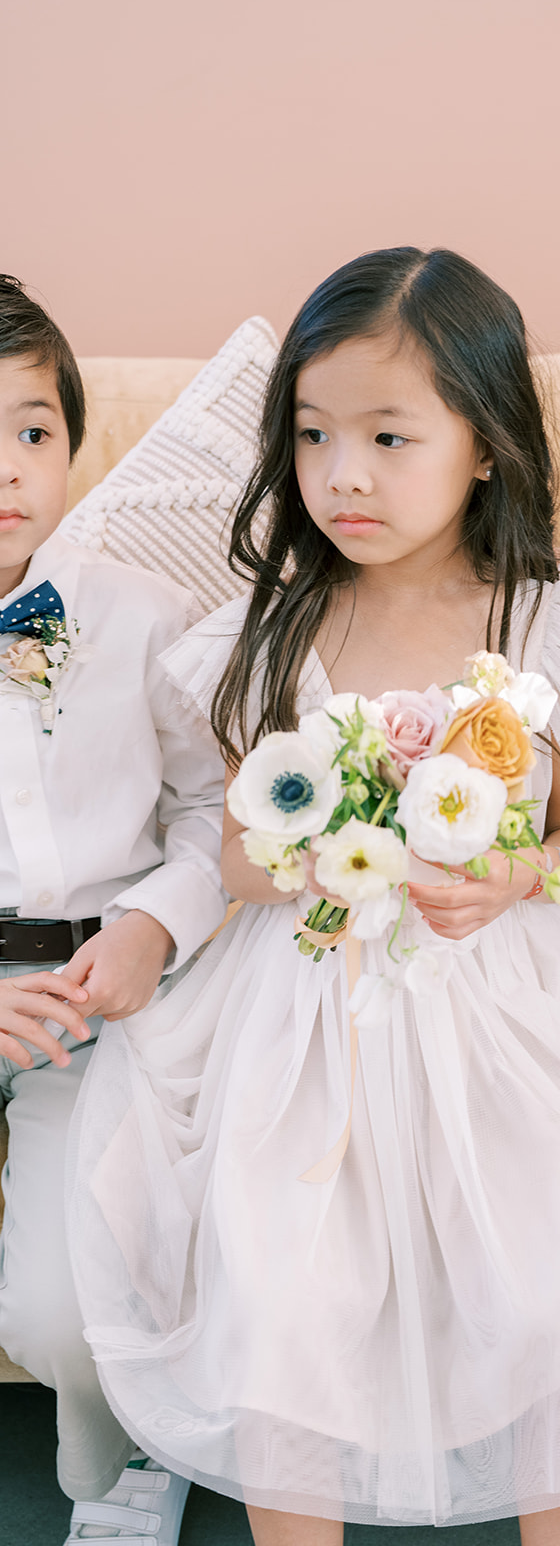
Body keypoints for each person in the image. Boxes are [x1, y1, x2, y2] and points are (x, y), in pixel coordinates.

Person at [67, 247, 560, 1545]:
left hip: (501, 998)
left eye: (391, 437)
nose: (344, 474)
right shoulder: (266, 629)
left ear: (487, 445)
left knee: (538, 1292)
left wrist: (513, 874)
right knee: (289, 1299)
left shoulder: (546, 624)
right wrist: (307, 850)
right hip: (299, 1007)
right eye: (316, 435)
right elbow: (228, 851)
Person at [0, 274, 225, 1545]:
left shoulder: (134, 617)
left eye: (32, 431)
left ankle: (121, 1465)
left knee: (53, 1306)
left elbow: (214, 812)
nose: (9, 470)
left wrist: (154, 924)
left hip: (85, 1002)